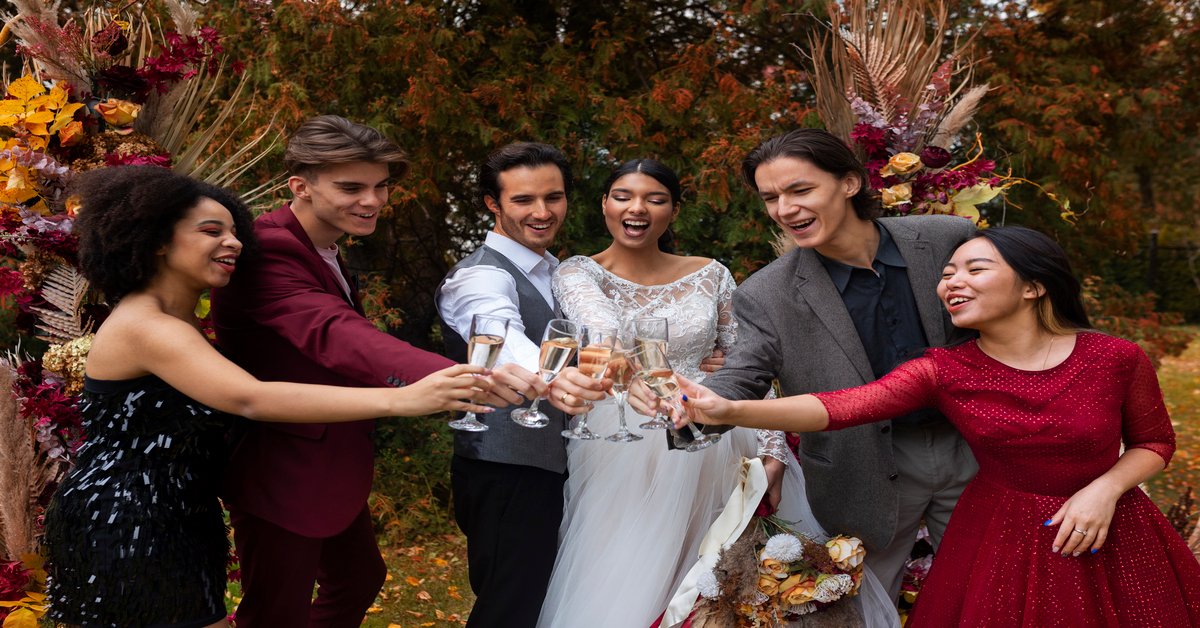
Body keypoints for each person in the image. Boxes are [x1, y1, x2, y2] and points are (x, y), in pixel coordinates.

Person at [676, 226, 1200, 626]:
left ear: (1034, 286)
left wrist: (1105, 490)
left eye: (975, 269)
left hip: (1111, 529)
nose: (952, 282)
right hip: (999, 535)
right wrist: (729, 410)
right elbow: (841, 406)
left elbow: (1155, 441)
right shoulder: (944, 370)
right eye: (947, 273)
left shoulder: (1115, 357)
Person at [43, 166, 496, 628]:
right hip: (128, 517)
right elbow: (250, 398)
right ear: (157, 240)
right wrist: (403, 399)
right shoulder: (147, 325)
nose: (235, 243)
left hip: (181, 512)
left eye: (234, 232)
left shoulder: (179, 321)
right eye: (211, 231)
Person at [209, 116, 541, 626]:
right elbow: (337, 333)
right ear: (300, 186)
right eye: (351, 188)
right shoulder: (269, 248)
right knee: (276, 611)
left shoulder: (321, 245)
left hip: (327, 457)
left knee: (357, 579)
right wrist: (465, 377)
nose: (372, 201)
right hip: (280, 459)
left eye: (380, 186)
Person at [537, 158, 898, 628]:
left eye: (655, 199)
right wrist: (639, 373)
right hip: (625, 439)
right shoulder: (578, 272)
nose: (637, 208)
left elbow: (751, 363)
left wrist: (773, 449)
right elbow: (601, 336)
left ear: (674, 211)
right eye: (623, 196)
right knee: (633, 577)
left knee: (733, 578)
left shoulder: (711, 274)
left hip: (721, 435)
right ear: (605, 204)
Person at [633, 128, 979, 604]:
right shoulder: (766, 294)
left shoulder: (949, 239)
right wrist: (693, 401)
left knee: (995, 593)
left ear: (850, 183)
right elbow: (741, 375)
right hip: (860, 469)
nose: (784, 209)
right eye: (770, 198)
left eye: (800, 190)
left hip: (978, 449)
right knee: (863, 609)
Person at [436, 142, 606, 628]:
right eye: (523, 200)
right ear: (492, 203)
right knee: (510, 609)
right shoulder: (478, 276)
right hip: (507, 470)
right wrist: (553, 378)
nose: (542, 212)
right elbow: (499, 334)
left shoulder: (559, 272)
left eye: (553, 197)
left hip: (561, 466)